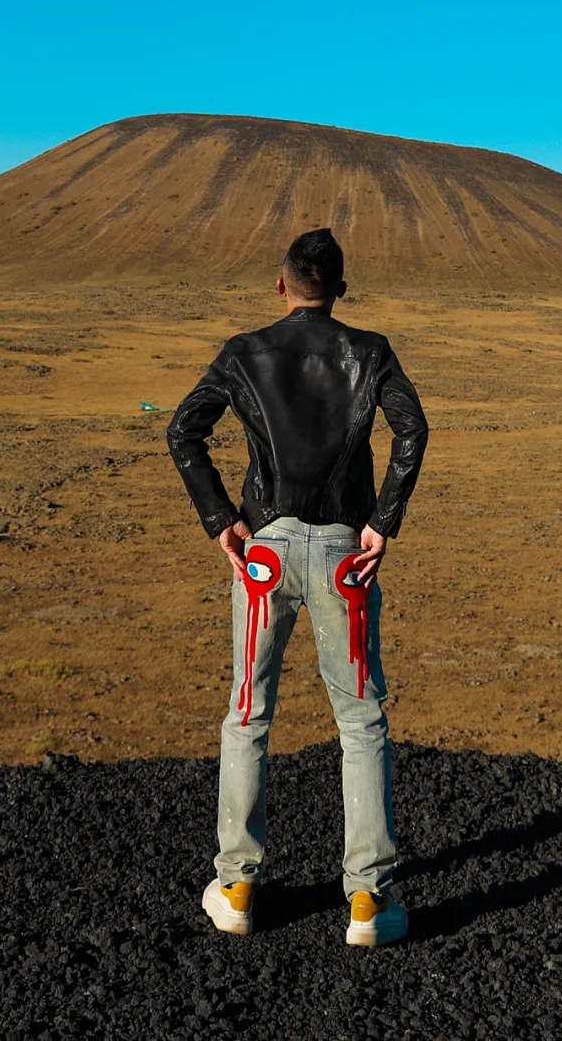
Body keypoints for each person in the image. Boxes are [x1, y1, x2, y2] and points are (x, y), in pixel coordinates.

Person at [166, 228, 428, 947]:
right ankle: (368, 900)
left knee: (248, 712)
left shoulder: (245, 351)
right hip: (347, 553)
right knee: (362, 718)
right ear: (340, 290)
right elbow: (413, 429)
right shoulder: (369, 351)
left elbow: (183, 430)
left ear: (281, 285)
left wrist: (222, 517)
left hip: (265, 557)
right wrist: (383, 521)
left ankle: (237, 883)